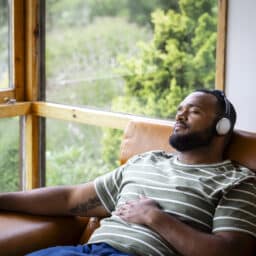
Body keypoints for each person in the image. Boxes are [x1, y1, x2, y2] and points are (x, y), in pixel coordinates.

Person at [0, 89, 255, 256]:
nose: (180, 116)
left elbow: (229, 250)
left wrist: (155, 218)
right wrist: (4, 200)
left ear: (222, 127)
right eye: (180, 109)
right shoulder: (146, 161)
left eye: (194, 111)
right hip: (84, 252)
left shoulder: (236, 181)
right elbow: (70, 200)